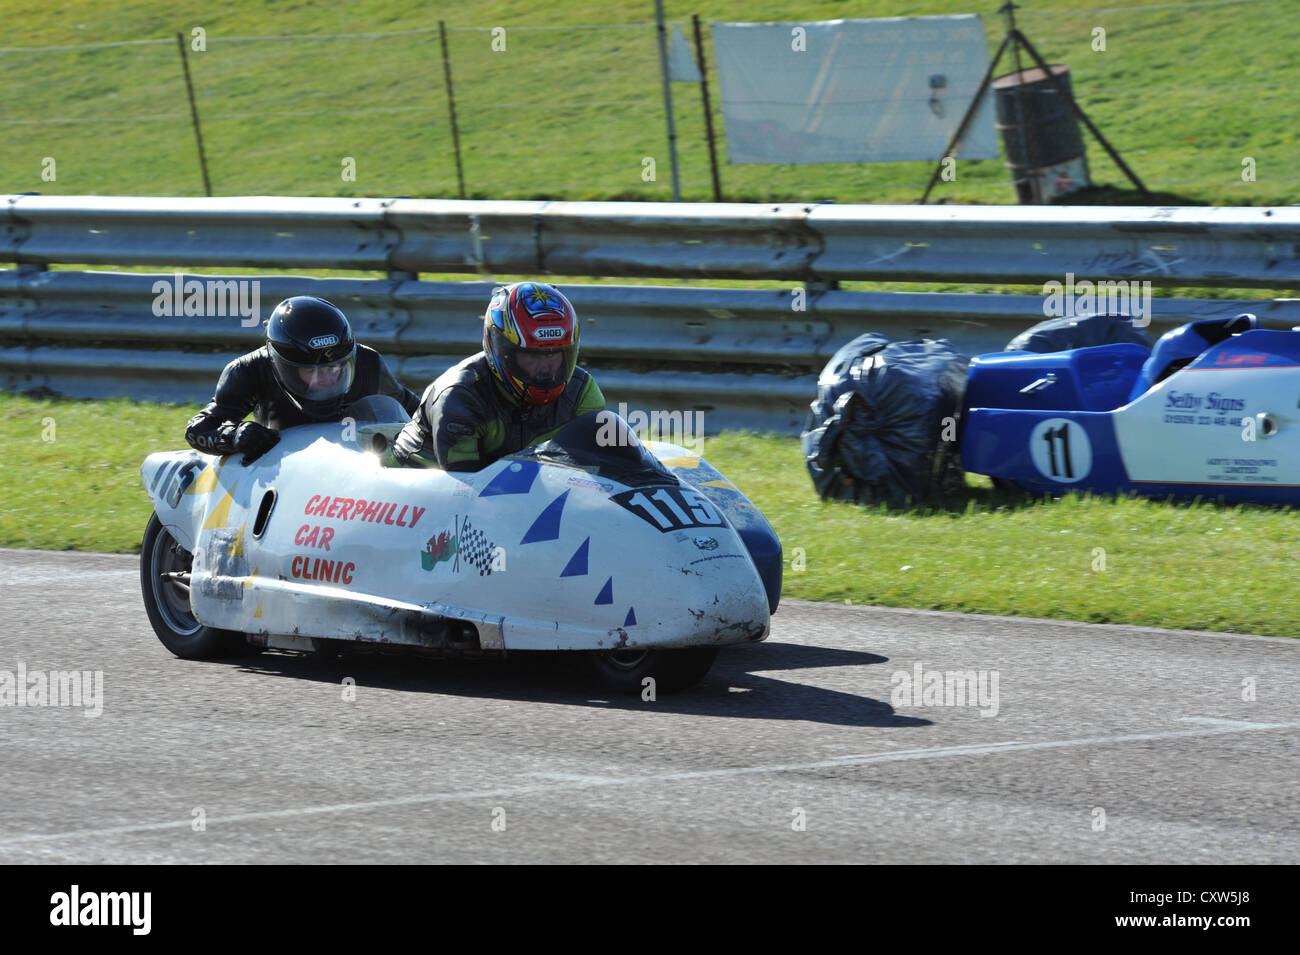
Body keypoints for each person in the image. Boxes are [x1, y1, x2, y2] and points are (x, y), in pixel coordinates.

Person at [392, 281, 605, 470]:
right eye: (531, 356)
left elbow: (601, 466)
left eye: (553, 355)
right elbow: (464, 487)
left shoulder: (581, 392)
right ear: (502, 351)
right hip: (416, 486)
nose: (545, 368)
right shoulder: (460, 397)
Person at [185, 296, 421, 463]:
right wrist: (234, 435)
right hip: (286, 472)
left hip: (359, 467)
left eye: (336, 367)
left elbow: (416, 414)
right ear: (282, 366)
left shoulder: (368, 364)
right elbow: (198, 429)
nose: (327, 377)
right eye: (311, 370)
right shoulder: (249, 370)